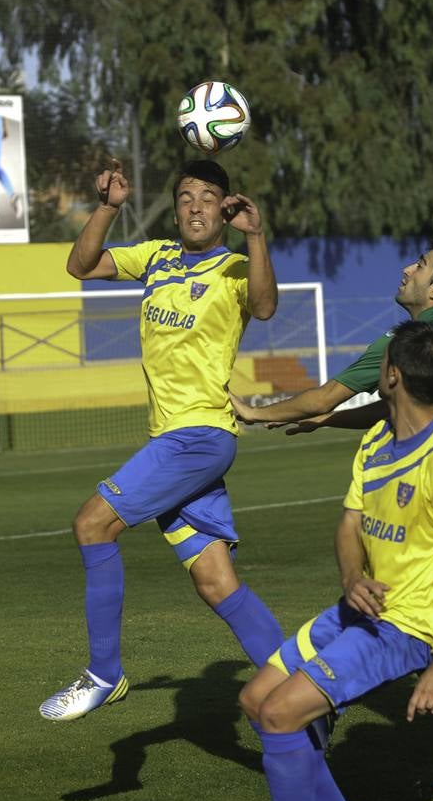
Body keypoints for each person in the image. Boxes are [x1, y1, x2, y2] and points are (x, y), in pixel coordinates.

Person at [231, 236, 433, 801]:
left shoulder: (407, 340)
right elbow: (393, 405)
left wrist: (258, 412)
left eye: (421, 264)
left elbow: (324, 396)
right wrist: (333, 422)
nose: (407, 268)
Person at [239, 320, 433, 801]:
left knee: (280, 715)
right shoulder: (376, 441)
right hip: (358, 608)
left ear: (392, 376)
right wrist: (352, 577)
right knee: (256, 699)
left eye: (380, 365)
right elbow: (349, 525)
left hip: (404, 628)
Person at [39, 158, 284, 721]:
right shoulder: (157, 257)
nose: (195, 206)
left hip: (198, 436)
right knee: (217, 582)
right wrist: (108, 206)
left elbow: (266, 307)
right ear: (175, 208)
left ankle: (105, 673)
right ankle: (302, 684)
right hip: (175, 438)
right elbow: (81, 265)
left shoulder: (234, 267)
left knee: (91, 523)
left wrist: (258, 237)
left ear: (226, 208)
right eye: (185, 197)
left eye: (207, 197)